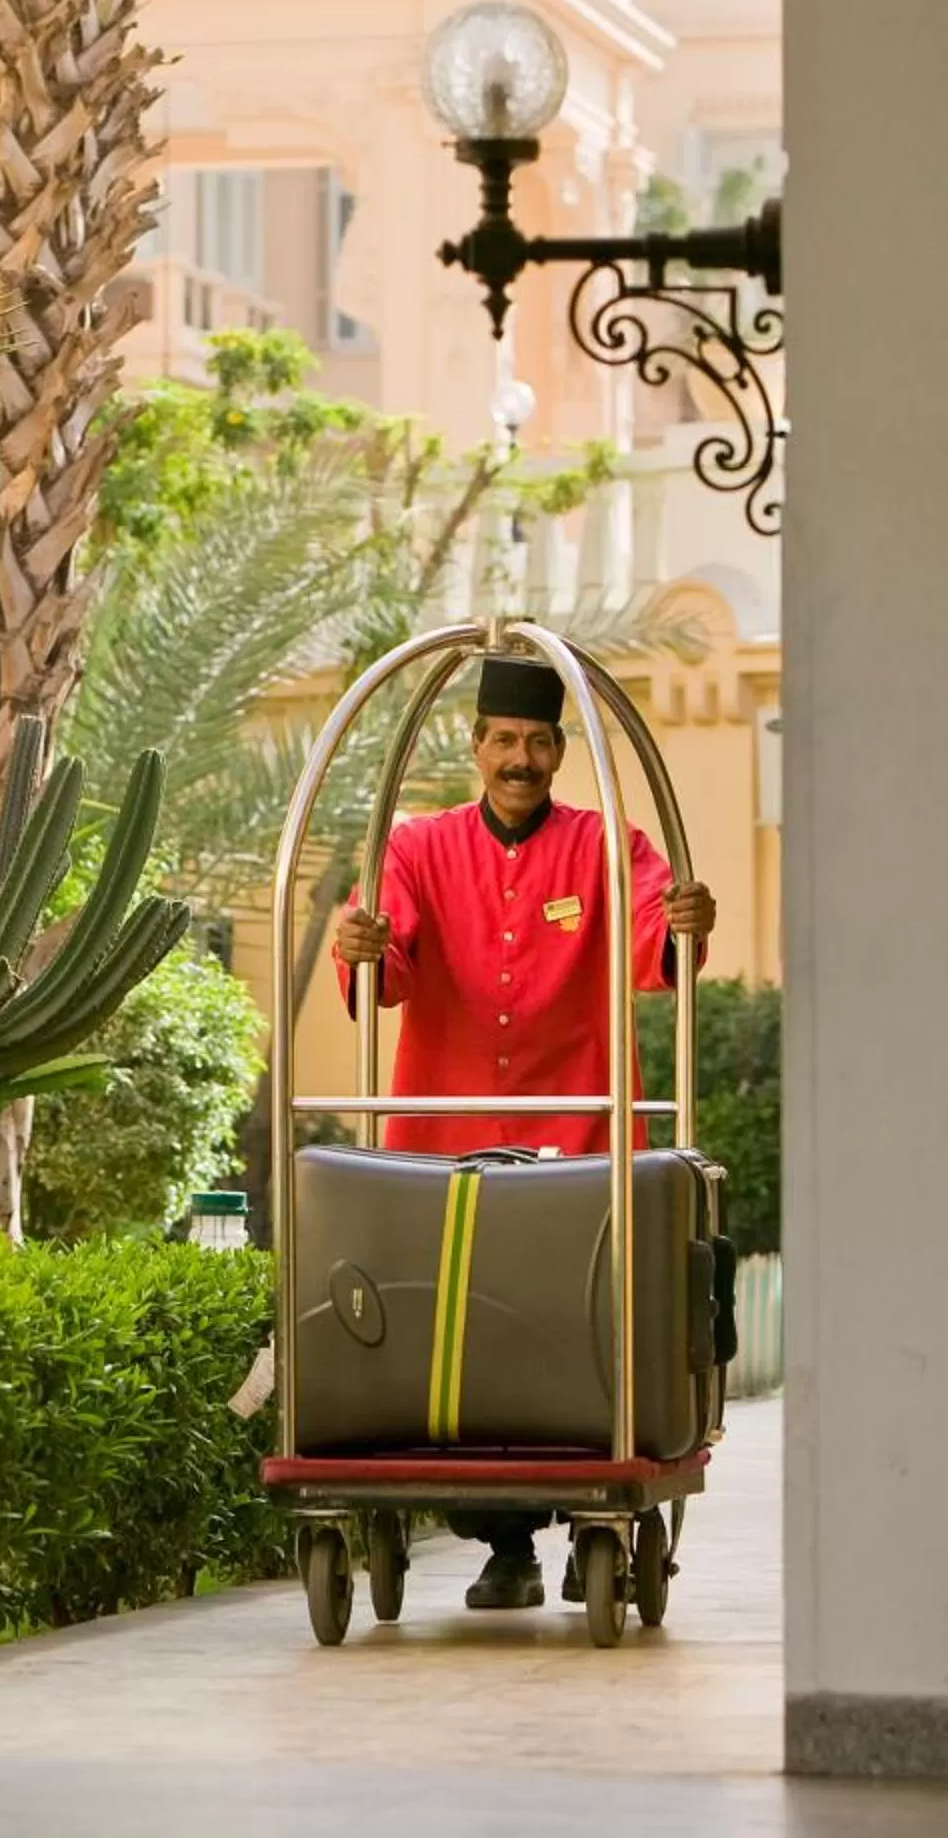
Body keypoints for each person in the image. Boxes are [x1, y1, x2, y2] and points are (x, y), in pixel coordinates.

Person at [330, 653, 716, 1611]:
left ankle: (583, 1512)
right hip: (444, 1146)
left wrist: (687, 924)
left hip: (576, 1142)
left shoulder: (606, 846)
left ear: (558, 751)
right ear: (477, 746)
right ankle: (506, 1546)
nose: (521, 758)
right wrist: (358, 942)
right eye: (505, 741)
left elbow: (659, 939)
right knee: (458, 1343)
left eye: (539, 742)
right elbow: (387, 949)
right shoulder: (418, 846)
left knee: (573, 1332)